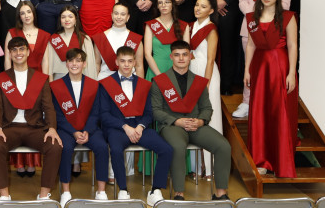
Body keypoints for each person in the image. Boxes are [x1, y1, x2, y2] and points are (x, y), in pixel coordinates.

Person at [150, 41, 231, 200]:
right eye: (177, 55)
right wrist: (177, 121)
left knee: (224, 146)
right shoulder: (160, 81)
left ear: (190, 57)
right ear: (171, 56)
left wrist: (201, 121)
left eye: (185, 54)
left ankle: (221, 194)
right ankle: (179, 194)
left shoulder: (199, 81)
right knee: (178, 146)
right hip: (172, 125)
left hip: (196, 125)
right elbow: (155, 111)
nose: (181, 58)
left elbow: (207, 108)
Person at [0, 36, 62, 201]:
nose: (18, 53)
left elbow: (48, 106)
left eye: (21, 49)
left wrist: (52, 128)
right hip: (9, 127)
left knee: (55, 146)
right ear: (10, 54)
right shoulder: (1, 79)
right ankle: (4, 196)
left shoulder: (40, 79)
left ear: (28, 52)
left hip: (34, 128)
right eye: (14, 50)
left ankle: (43, 195)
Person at [99, 46, 173, 204]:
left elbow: (149, 113)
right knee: (116, 150)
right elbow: (104, 115)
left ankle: (156, 190)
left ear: (135, 63)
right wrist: (125, 127)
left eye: (130, 61)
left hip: (140, 128)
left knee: (166, 149)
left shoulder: (144, 84)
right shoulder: (106, 84)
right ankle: (123, 190)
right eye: (123, 61)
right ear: (116, 62)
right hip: (118, 129)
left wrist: (140, 127)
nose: (126, 65)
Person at [244, 0, 299, 178]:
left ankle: (280, 161)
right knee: (259, 112)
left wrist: (292, 72)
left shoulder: (288, 17)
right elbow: (250, 45)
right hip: (259, 67)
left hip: (280, 66)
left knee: (280, 111)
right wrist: (246, 70)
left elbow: (292, 45)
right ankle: (261, 160)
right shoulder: (252, 18)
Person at [233, 0, 293, 118]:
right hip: (250, 28)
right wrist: (257, 16)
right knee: (250, 66)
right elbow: (242, 2)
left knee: (273, 69)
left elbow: (285, 4)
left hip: (275, 30)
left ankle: (271, 102)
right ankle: (247, 102)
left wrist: (265, 15)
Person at [51, 48, 110, 206]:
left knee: (102, 147)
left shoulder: (94, 85)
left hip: (89, 129)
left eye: (78, 60)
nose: (74, 64)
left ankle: (101, 191)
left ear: (84, 63)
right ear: (67, 63)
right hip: (67, 129)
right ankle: (66, 192)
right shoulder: (56, 86)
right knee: (65, 148)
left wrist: (86, 131)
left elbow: (96, 113)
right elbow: (57, 115)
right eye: (71, 61)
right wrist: (74, 132)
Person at [3, 0, 53, 177]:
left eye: (29, 12)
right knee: (18, 121)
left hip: (36, 81)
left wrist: (45, 83)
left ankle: (32, 163)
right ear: (19, 16)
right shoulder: (12, 33)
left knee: (33, 122)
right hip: (16, 81)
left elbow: (46, 61)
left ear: (34, 14)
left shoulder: (45, 35)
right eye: (22, 13)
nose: (26, 16)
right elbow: (7, 61)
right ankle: (19, 165)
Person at [189, 0, 223, 176]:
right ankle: (196, 167)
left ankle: (211, 168)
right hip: (192, 72)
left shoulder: (211, 30)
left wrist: (206, 84)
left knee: (210, 117)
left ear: (211, 11)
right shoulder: (190, 26)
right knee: (193, 117)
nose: (198, 8)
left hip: (207, 74)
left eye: (203, 6)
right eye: (196, 4)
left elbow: (210, 60)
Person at [144, 0, 191, 80]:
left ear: (173, 4)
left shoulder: (183, 25)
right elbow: (147, 54)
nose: (163, 5)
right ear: (157, 6)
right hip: (156, 70)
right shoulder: (151, 25)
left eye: (167, 2)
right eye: (160, 3)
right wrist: (159, 76)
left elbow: (186, 53)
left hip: (178, 70)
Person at [92, 2, 143, 81]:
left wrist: (140, 87)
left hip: (129, 80)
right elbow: (96, 64)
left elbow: (139, 66)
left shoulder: (135, 39)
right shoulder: (100, 38)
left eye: (123, 14)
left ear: (128, 17)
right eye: (116, 13)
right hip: (105, 81)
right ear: (111, 15)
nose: (119, 17)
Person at [48, 5, 98, 80]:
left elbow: (90, 66)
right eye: (63, 17)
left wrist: (90, 84)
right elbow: (49, 65)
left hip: (80, 79)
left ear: (76, 20)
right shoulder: (54, 39)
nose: (67, 20)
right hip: (58, 80)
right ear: (60, 20)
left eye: (70, 17)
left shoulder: (85, 39)